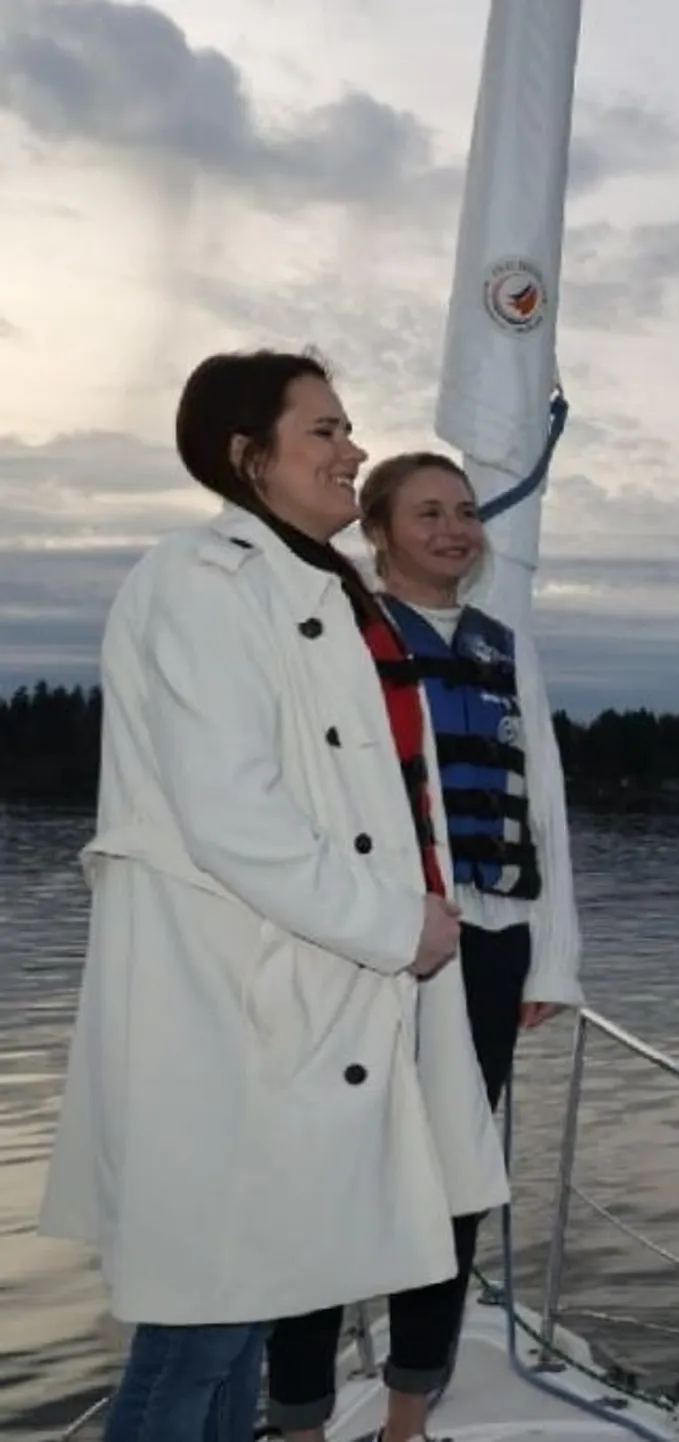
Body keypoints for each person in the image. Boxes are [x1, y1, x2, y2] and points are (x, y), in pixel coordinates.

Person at [36, 350, 510, 1442]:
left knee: (241, 1317)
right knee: (203, 1323)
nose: (352, 450)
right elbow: (234, 814)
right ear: (248, 457)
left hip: (305, 995)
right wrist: (403, 924)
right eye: (326, 431)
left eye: (346, 429)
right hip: (232, 1004)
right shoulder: (201, 582)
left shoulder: (320, 591)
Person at [264, 450, 584, 1442]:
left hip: (486, 946)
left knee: (453, 1179)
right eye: (428, 512)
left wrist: (551, 959)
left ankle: (409, 1412)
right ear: (379, 529)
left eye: (466, 511)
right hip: (371, 947)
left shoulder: (506, 647)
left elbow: (547, 815)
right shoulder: (340, 634)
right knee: (331, 1174)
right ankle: (302, 1418)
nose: (454, 528)